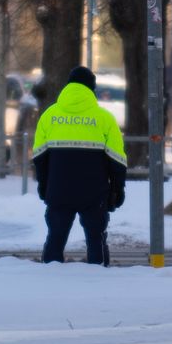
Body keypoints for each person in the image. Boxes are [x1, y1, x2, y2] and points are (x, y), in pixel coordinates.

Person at [31, 65, 127, 264]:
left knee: (55, 238)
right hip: (95, 193)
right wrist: (117, 189)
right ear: (92, 89)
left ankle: (50, 275)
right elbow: (117, 160)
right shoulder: (104, 118)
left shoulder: (49, 116)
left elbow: (40, 157)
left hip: (58, 190)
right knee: (96, 239)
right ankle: (98, 275)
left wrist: (43, 185)